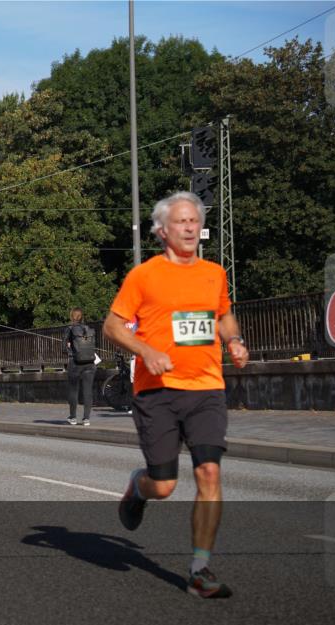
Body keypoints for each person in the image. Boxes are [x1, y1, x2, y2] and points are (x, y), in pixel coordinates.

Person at [103, 191, 249, 599]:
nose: (189, 227)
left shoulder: (214, 273)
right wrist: (147, 351)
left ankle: (200, 569)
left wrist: (234, 340)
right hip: (158, 392)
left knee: (209, 472)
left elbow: (222, 315)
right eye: (180, 222)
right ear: (162, 230)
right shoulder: (144, 276)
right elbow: (112, 327)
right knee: (164, 485)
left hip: (206, 387)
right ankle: (139, 486)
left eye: (194, 221)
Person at [65, 307, 97, 426]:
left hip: (75, 363)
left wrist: (69, 347)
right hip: (90, 363)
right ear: (82, 317)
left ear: (72, 316)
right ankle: (86, 419)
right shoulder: (89, 329)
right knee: (88, 391)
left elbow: (65, 348)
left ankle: (73, 417)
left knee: (73, 390)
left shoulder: (70, 329)